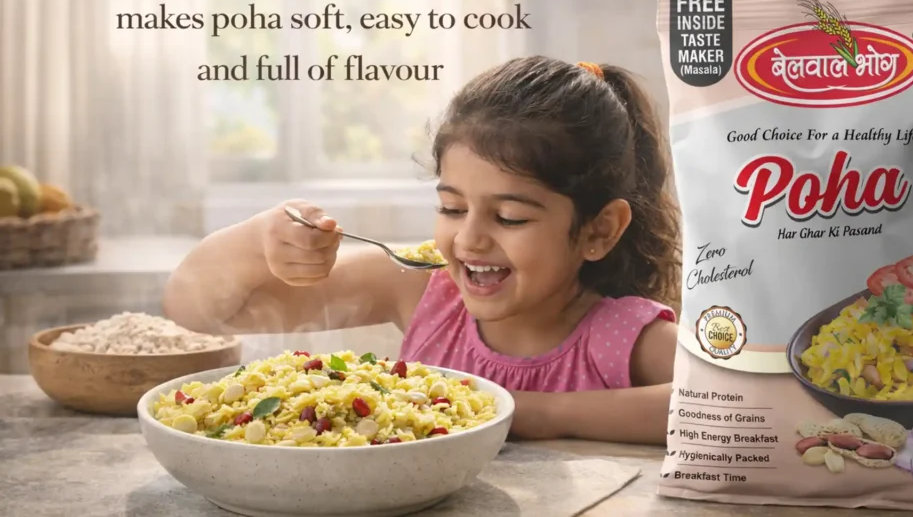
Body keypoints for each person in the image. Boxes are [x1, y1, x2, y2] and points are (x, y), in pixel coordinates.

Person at [163, 56, 682, 444]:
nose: (469, 239)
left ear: (599, 231)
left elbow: (745, 409)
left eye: (509, 218)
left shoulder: (621, 335)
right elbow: (200, 312)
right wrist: (259, 243)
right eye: (452, 209)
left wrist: (526, 412)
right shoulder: (421, 290)